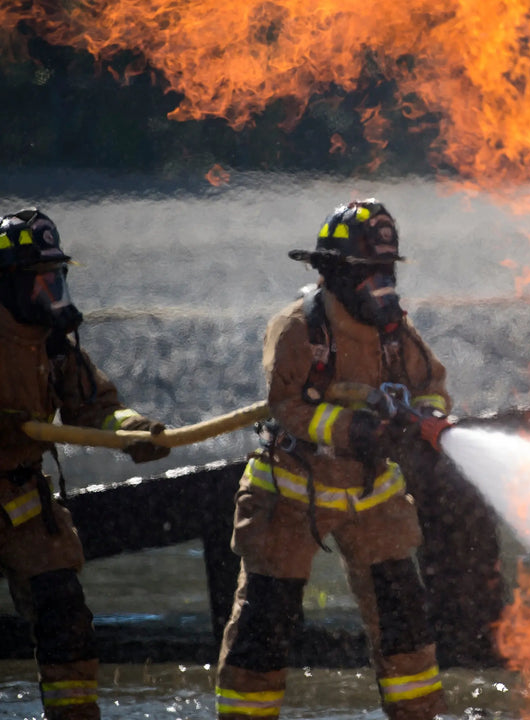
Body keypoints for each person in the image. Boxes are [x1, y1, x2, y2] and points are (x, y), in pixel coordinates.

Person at [215, 199, 453, 720]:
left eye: (385, 272)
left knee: (402, 619)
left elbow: (431, 383)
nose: (380, 285)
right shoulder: (299, 329)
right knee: (266, 623)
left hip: (373, 495)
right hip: (290, 491)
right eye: (369, 273)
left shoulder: (396, 332)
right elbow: (289, 407)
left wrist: (425, 420)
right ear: (336, 273)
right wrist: (354, 429)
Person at [0, 207, 170, 720]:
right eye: (42, 281)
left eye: (58, 278)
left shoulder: (51, 343)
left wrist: (132, 431)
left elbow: (94, 406)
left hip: (24, 505)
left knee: (66, 618)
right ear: (8, 285)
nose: (54, 292)